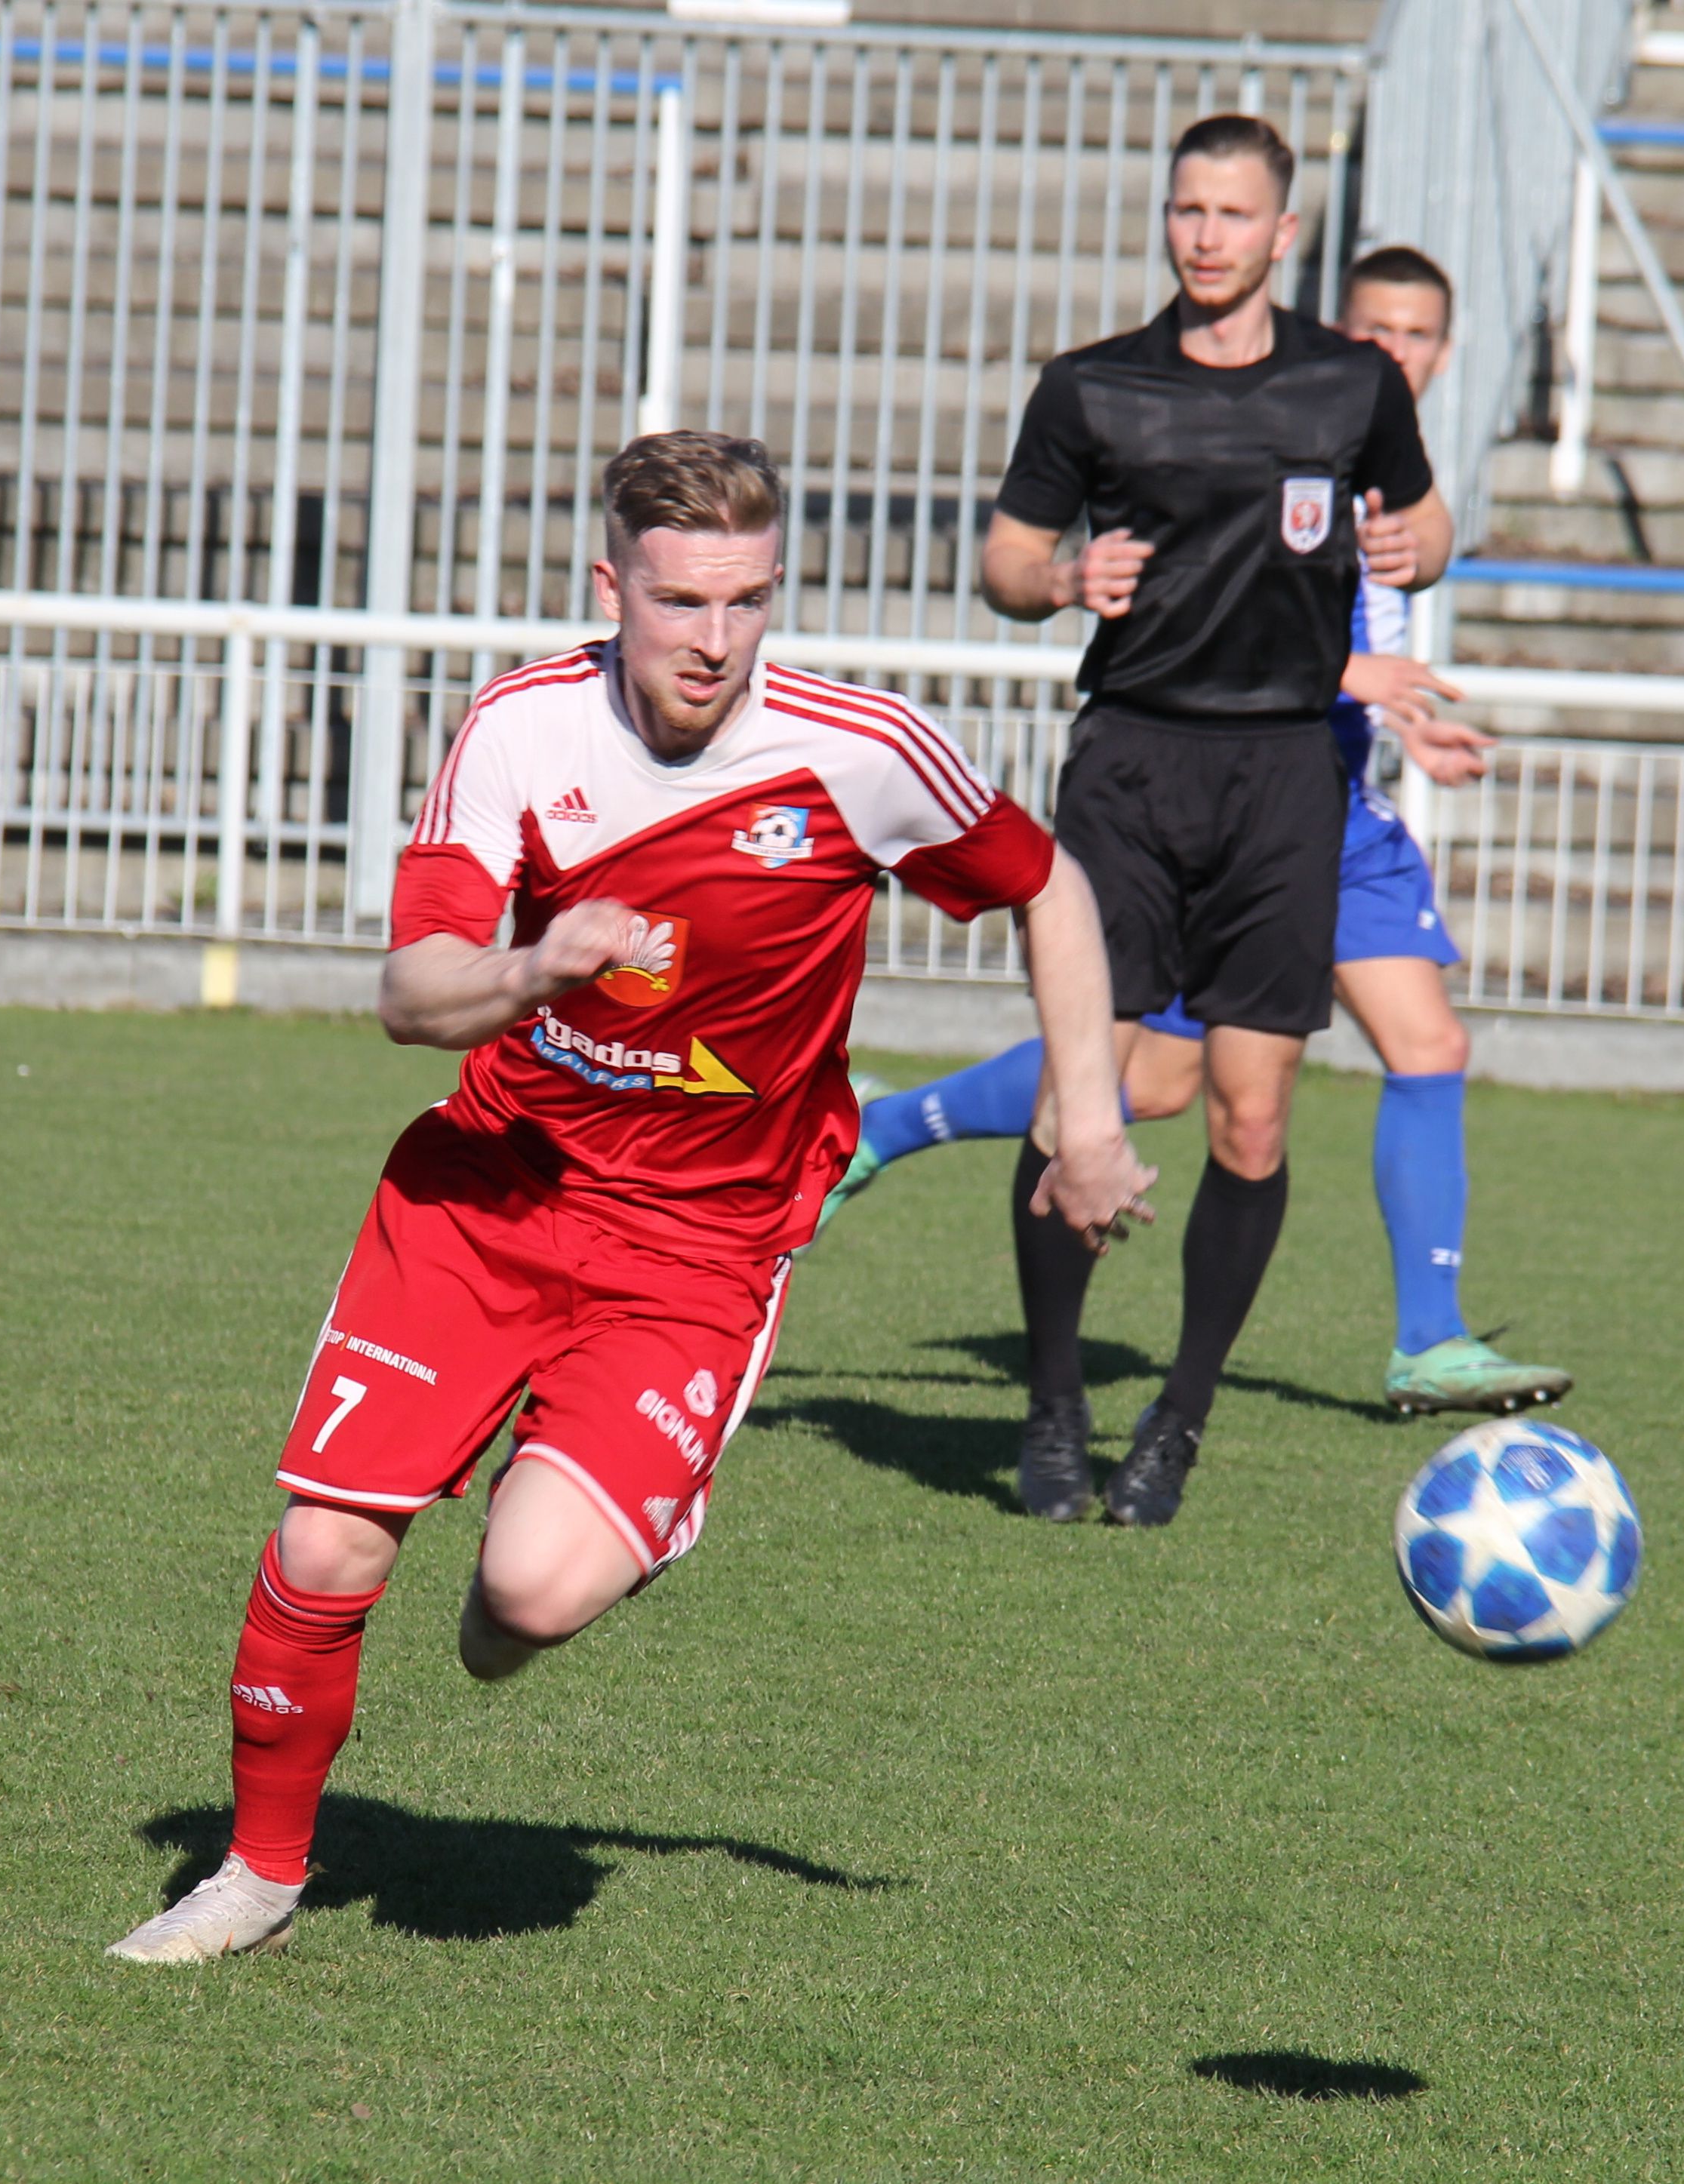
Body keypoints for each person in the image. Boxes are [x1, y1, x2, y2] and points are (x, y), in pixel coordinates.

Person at [107, 432, 1151, 1962]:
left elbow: (1045, 884)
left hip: (700, 1247)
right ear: (613, 587)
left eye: (747, 599)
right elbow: (410, 992)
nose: (716, 640)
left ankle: (581, 1524)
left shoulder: (858, 752)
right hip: (492, 1194)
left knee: (522, 1605)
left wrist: (1087, 1113)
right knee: (329, 1543)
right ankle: (256, 1877)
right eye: (680, 602)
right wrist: (536, 964)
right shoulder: (524, 728)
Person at [827, 247, 1572, 1426]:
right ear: (1333, 328)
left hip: (1335, 806)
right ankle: (882, 1126)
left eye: (1418, 335)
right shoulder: (1270, 427)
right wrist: (1353, 675)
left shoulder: (1381, 461)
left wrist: (1396, 717)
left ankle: (1428, 1340)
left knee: (1426, 1042)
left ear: (1445, 350)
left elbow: (1373, 600)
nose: (1395, 351)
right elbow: (1211, 615)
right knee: (1150, 1082)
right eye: (1375, 329)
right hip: (1234, 803)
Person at [974, 117, 1453, 1532]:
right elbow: (1006, 559)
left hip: (1286, 773)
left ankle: (1175, 1421)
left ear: (1282, 234)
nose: (1206, 235)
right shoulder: (1094, 387)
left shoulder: (1351, 383)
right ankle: (1053, 1404)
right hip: (1130, 763)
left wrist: (1412, 545)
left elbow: (1428, 525)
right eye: (1188, 209)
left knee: (1250, 1116)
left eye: (1234, 214)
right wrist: (1064, 580)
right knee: (1082, 1093)